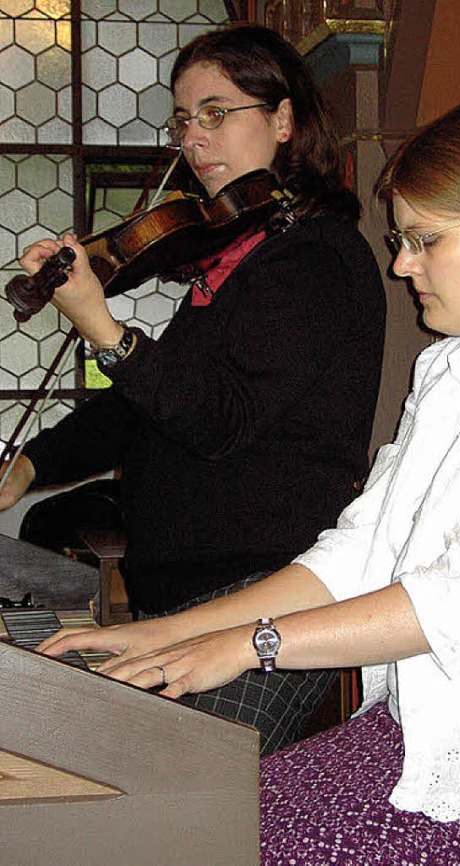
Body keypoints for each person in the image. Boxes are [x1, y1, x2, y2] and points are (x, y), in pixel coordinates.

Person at [38, 93, 460, 865]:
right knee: (180, 823)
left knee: (204, 842)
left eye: (426, 241)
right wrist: (156, 631)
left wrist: (243, 644)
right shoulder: (452, 368)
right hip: (418, 739)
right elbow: (356, 555)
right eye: (401, 240)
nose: (401, 265)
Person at [0, 24, 386, 755]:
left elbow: (220, 421)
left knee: (177, 787)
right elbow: (140, 409)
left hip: (260, 591)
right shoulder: (240, 258)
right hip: (184, 589)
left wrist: (107, 332)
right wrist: (31, 466)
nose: (192, 138)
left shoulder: (314, 260)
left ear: (282, 120)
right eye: (184, 119)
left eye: (217, 112)